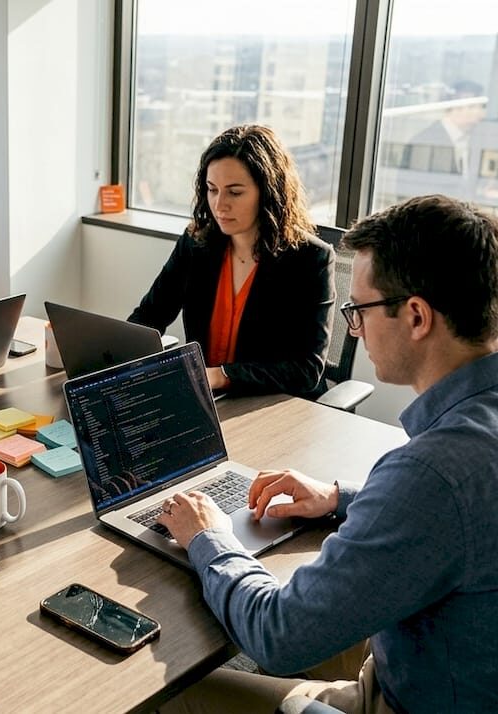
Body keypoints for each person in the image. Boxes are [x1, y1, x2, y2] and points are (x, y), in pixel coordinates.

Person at [159, 194, 498, 713]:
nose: (355, 330)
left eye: (358, 311)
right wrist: (340, 498)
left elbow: (278, 637)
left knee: (172, 694)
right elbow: (460, 511)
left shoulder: (431, 472)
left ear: (415, 316)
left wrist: (209, 538)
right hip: (439, 664)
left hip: (401, 699)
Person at [128, 124, 335, 398]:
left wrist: (221, 376)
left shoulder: (310, 259)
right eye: (212, 190)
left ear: (268, 193)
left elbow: (306, 370)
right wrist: (118, 356)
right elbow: (150, 315)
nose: (219, 205)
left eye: (235, 192)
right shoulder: (196, 243)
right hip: (207, 399)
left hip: (275, 406)